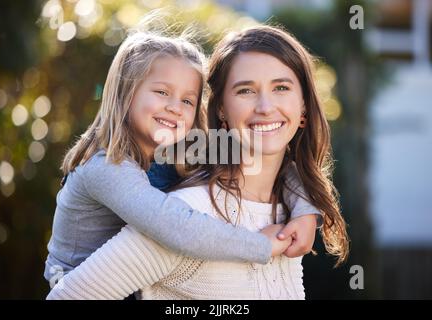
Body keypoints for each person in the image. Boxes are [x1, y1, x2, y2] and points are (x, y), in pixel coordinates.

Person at [46, 25, 348, 300]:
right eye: (162, 92)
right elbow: (176, 226)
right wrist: (261, 247)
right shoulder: (107, 169)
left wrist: (306, 210)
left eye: (188, 101)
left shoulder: (176, 155)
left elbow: (285, 167)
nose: (175, 108)